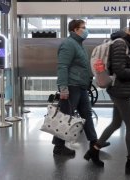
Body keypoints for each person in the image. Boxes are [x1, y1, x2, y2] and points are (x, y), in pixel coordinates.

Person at [83, 12, 130, 177]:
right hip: (119, 90)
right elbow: (121, 71)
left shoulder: (127, 44)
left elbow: (124, 67)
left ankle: (94, 150)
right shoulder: (121, 44)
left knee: (116, 123)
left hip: (121, 89)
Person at [54, 19, 109, 156]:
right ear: (74, 30)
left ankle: (94, 142)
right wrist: (63, 88)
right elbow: (62, 66)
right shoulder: (68, 44)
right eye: (83, 28)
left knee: (87, 114)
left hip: (81, 86)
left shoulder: (78, 44)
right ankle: (59, 146)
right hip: (72, 86)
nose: (86, 30)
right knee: (66, 116)